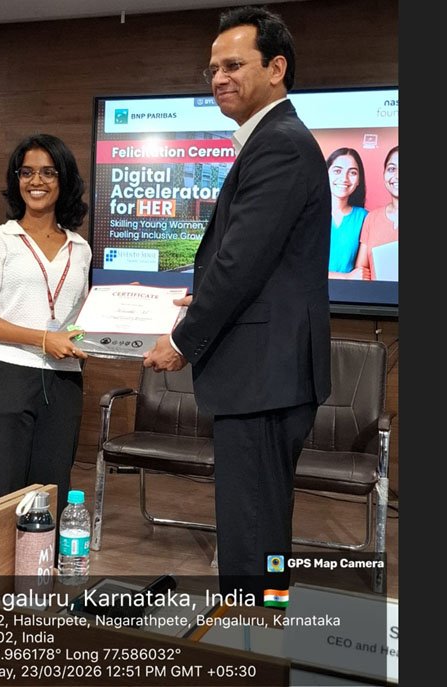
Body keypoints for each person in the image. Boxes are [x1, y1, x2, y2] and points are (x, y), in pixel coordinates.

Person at [143, 6, 331, 598]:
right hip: (265, 371)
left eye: (233, 65)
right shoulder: (273, 140)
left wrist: (181, 341)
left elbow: (240, 263)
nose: (219, 78)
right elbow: (262, 263)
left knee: (252, 529)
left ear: (276, 68)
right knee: (259, 524)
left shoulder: (279, 144)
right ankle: (261, 626)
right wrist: (202, 297)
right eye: (213, 69)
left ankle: (254, 633)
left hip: (263, 374)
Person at [0, 133, 91, 523]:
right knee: (1, 493)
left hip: (64, 380)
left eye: (48, 172)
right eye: (27, 172)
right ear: (16, 179)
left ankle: (41, 562)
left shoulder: (80, 248)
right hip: (9, 374)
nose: (36, 181)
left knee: (50, 492)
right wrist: (42, 339)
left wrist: (119, 306)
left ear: (64, 180)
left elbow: (79, 321)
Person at [352, 145, 398, 281]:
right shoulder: (372, 218)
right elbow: (361, 269)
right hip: (377, 294)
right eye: (392, 169)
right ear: (384, 174)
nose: (397, 175)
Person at [326, 147, 368, 278]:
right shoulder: (309, 213)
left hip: (348, 290)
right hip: (310, 289)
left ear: (359, 180)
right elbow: (300, 269)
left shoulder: (364, 217)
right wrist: (346, 277)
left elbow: (362, 271)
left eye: (352, 172)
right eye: (337, 171)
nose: (344, 178)